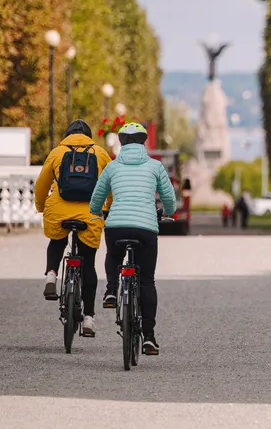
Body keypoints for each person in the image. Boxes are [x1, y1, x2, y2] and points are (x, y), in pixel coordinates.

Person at [90, 122, 176, 356]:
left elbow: (98, 196)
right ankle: (149, 337)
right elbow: (168, 197)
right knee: (147, 281)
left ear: (121, 142)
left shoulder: (112, 166)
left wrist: (96, 212)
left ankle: (110, 290)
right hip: (146, 228)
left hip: (117, 225)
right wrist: (168, 212)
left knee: (113, 255)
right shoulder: (155, 166)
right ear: (143, 141)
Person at [35, 120, 111, 337]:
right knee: (88, 263)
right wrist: (109, 208)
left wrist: (41, 207)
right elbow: (111, 183)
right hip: (90, 212)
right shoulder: (100, 152)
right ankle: (88, 317)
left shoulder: (57, 152)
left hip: (59, 210)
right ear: (88, 136)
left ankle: (51, 275)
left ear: (68, 134)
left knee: (57, 240)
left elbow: (41, 184)